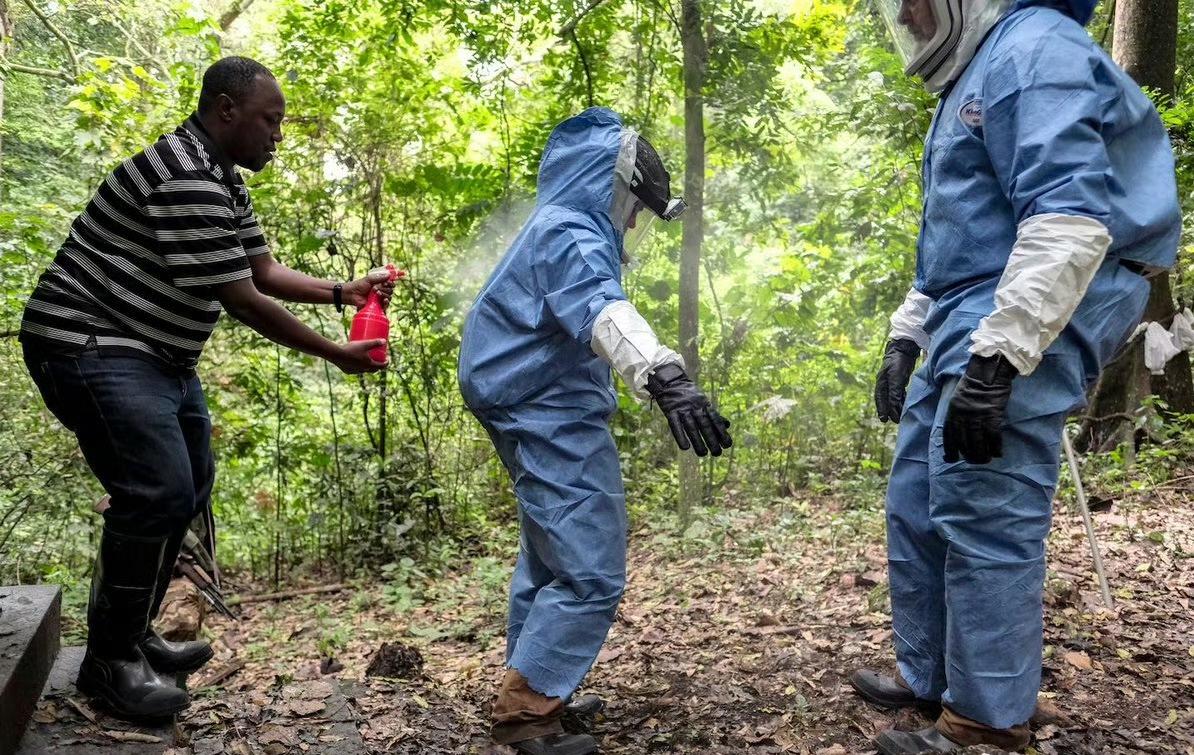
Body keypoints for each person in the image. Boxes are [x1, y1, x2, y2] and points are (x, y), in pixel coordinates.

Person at [19, 56, 394, 719]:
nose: (278, 134)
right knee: (156, 489)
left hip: (155, 354)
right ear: (226, 110)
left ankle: (132, 634)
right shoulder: (185, 175)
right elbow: (244, 299)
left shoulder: (222, 178)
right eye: (270, 120)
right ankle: (108, 661)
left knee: (189, 485)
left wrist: (343, 291)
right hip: (90, 340)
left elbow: (263, 269)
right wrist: (335, 353)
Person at [859, 0, 1181, 752]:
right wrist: (907, 334)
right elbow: (960, 234)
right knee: (917, 495)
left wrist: (1001, 356)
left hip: (1039, 300)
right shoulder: (977, 71)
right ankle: (933, 675)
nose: (905, 11)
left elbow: (1068, 216)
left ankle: (985, 717)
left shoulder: (1034, 47)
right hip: (972, 305)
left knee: (985, 496)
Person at [458, 107, 732, 755]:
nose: (633, 222)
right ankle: (527, 711)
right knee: (591, 566)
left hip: (524, 400)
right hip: (546, 408)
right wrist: (666, 377)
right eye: (633, 207)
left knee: (549, 553)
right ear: (610, 186)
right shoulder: (572, 232)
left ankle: (535, 682)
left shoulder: (554, 225)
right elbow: (603, 308)